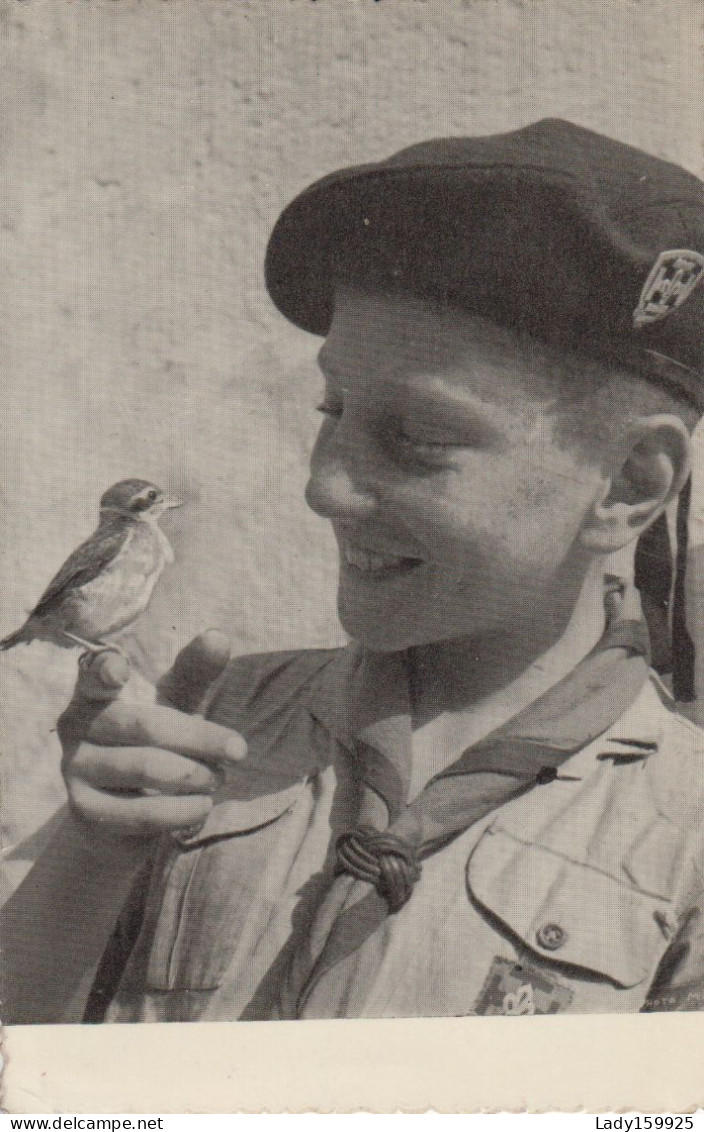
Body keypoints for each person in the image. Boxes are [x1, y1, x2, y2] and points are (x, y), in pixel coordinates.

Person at [4, 118, 704, 1022]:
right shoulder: (208, 733)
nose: (325, 488)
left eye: (418, 437)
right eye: (332, 407)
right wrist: (92, 859)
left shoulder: (683, 836)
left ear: (628, 483)